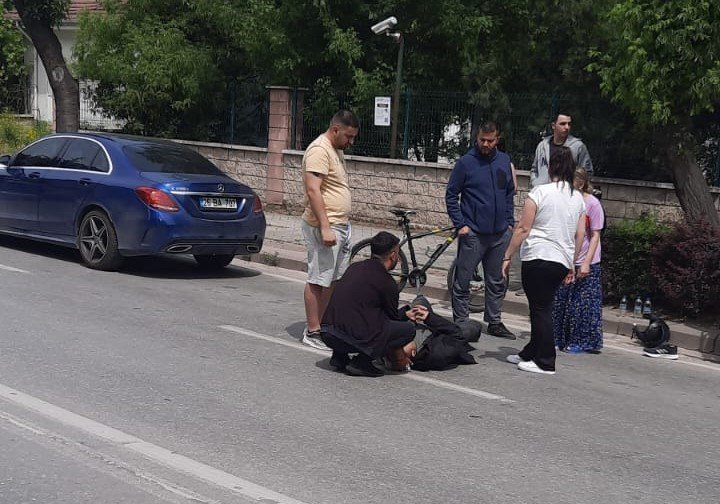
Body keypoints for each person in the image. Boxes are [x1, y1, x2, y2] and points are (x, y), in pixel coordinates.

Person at [501, 147, 586, 375]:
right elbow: (580, 234)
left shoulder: (539, 192)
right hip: (560, 260)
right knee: (540, 307)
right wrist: (572, 262)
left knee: (540, 308)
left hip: (538, 256)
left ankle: (546, 360)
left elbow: (524, 228)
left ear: (550, 167)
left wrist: (508, 254)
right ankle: (531, 351)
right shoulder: (577, 198)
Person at [321, 232, 429, 377]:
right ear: (393, 255)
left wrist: (404, 313)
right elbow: (389, 321)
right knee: (407, 330)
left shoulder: (354, 267)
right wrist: (404, 318)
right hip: (351, 338)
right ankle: (362, 361)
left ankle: (339, 357)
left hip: (328, 333)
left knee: (352, 316)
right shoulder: (387, 282)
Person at [446, 121, 517, 339]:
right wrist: (461, 225)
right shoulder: (466, 163)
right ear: (477, 138)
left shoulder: (504, 161)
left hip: (499, 233)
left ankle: (494, 321)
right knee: (463, 280)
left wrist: (509, 222)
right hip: (473, 233)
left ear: (497, 139)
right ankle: (461, 321)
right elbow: (451, 195)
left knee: (496, 280)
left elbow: (508, 193)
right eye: (482, 140)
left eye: (490, 140)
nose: (486, 144)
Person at [300, 109, 359, 351]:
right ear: (335, 130)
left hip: (339, 225)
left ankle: (323, 324)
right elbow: (314, 190)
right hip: (325, 226)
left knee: (332, 279)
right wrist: (325, 227)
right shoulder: (319, 150)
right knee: (318, 279)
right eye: (348, 136)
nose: (351, 141)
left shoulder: (336, 150)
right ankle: (312, 331)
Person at [553, 167, 605, 353]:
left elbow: (595, 235)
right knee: (560, 301)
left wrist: (586, 262)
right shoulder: (565, 202)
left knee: (582, 305)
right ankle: (557, 337)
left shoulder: (592, 204)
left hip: (585, 259)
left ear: (581, 183)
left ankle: (583, 341)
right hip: (566, 257)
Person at [531, 113, 593, 187]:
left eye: (569, 124)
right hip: (542, 193)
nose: (567, 127)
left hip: (566, 194)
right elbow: (534, 169)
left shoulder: (578, 147)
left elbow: (586, 172)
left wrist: (575, 188)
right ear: (553, 126)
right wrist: (535, 182)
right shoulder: (542, 146)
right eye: (562, 124)